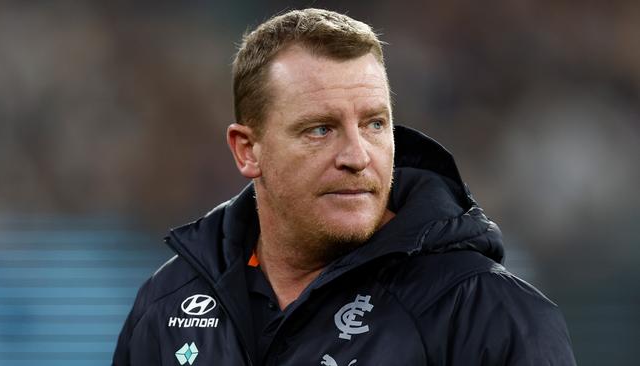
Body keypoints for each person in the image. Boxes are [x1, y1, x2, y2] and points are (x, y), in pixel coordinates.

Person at [113, 8, 576, 366]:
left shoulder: (488, 314)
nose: (357, 156)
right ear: (246, 151)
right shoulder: (168, 304)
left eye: (375, 124)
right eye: (320, 129)